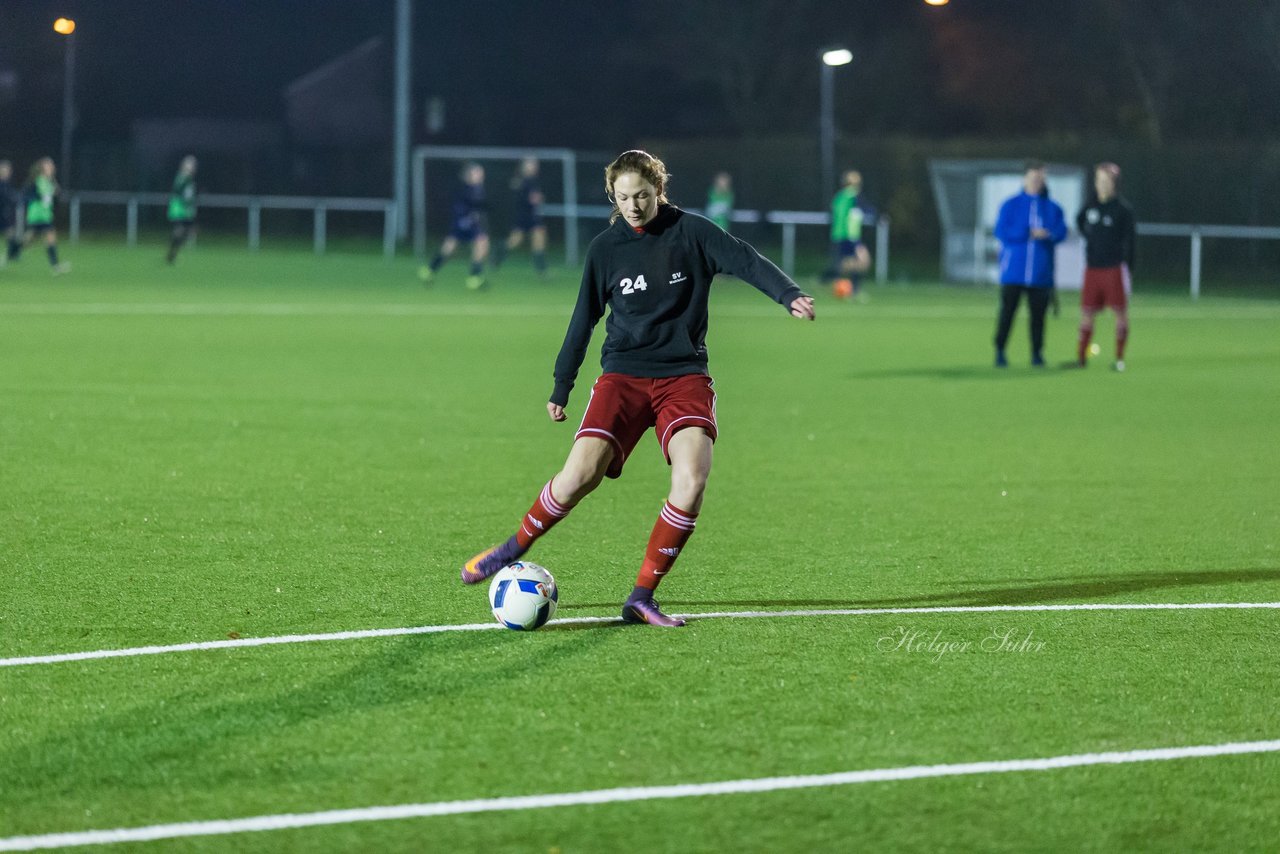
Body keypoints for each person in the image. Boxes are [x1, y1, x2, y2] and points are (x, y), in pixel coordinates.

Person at [460, 150, 816, 627]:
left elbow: (746, 261)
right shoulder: (606, 249)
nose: (632, 206)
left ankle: (642, 597)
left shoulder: (693, 233)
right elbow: (583, 319)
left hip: (683, 376)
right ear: (613, 195)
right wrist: (561, 385)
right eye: (623, 197)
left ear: (659, 190)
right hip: (623, 377)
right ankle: (511, 549)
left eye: (642, 196)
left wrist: (788, 294)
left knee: (691, 481)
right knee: (577, 478)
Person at [992, 160, 1066, 367]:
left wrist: (1047, 235)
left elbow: (1061, 232)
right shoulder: (1011, 204)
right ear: (1025, 178)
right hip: (1013, 272)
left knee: (1038, 317)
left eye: (1040, 178)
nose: (1036, 182)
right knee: (1007, 313)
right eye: (1033, 177)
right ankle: (1000, 350)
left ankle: (1037, 353)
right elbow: (1001, 231)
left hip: (1040, 274)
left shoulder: (1052, 208)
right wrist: (1026, 233)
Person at [1074, 162, 1135, 371]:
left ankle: (1119, 358)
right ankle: (1081, 358)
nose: (1102, 185)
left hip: (1113, 269)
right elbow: (1080, 222)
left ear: (1114, 183)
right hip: (1093, 269)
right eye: (1098, 181)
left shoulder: (1123, 210)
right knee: (1087, 313)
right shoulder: (1090, 206)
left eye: (1106, 181)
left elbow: (1131, 242)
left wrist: (1129, 268)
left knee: (1120, 313)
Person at [418, 162, 489, 290]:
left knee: (475, 244)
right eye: (477, 173)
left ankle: (429, 270)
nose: (480, 175)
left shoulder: (478, 188)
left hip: (469, 223)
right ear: (469, 175)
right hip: (464, 223)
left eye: (481, 172)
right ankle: (473, 278)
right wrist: (465, 220)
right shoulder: (466, 189)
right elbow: (462, 207)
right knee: (455, 248)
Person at [493, 157, 548, 276]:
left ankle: (541, 270)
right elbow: (528, 198)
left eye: (534, 164)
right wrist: (534, 199)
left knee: (539, 238)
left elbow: (537, 197)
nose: (533, 166)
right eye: (530, 164)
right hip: (523, 214)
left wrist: (537, 199)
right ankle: (497, 254)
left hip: (533, 215)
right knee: (515, 241)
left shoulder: (534, 180)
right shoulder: (520, 181)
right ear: (524, 166)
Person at [16, 157, 70, 274]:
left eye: (52, 165)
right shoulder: (36, 180)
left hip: (46, 216)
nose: (51, 167)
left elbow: (55, 196)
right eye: (48, 165)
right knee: (29, 240)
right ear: (42, 168)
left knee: (49, 238)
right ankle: (12, 253)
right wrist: (38, 198)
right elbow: (26, 194)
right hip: (36, 215)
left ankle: (56, 267)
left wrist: (56, 192)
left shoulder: (50, 181)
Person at [828, 170, 872, 299]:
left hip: (838, 234)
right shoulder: (853, 195)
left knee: (848, 263)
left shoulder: (839, 197)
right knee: (862, 262)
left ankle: (838, 284)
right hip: (850, 235)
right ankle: (850, 289)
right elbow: (866, 209)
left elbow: (833, 213)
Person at [165, 155, 198, 264]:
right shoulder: (182, 177)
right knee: (179, 230)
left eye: (192, 165)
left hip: (186, 209)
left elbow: (190, 195)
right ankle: (171, 255)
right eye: (189, 165)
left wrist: (190, 206)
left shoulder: (189, 179)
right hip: (178, 208)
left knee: (185, 231)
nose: (191, 167)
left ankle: (172, 254)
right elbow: (178, 190)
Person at [0, 160, 18, 267]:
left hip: (4, 214)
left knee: (11, 234)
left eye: (8, 170)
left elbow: (11, 197)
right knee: (10, 234)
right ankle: (13, 253)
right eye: (4, 169)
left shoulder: (7, 184)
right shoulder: (2, 184)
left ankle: (13, 254)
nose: (7, 172)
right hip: (2, 213)